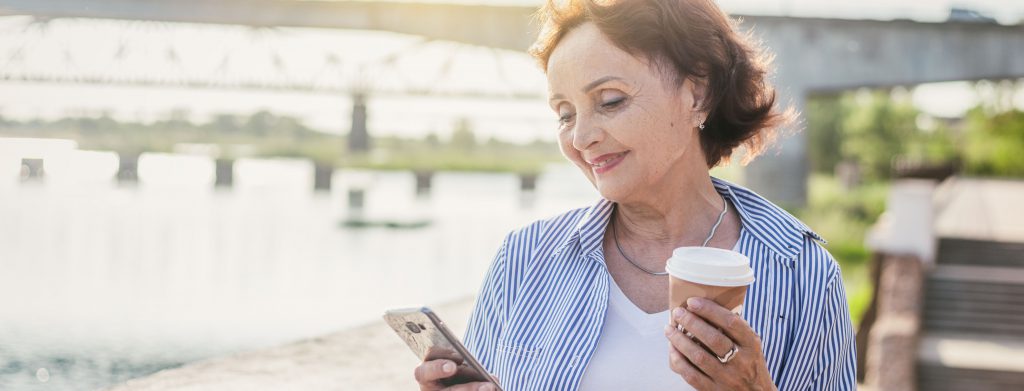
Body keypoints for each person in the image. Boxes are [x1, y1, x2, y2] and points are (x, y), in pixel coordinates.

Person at [413, 0, 856, 389]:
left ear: (696, 95)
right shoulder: (524, 259)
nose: (581, 137)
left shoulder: (804, 275)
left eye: (609, 101)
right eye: (564, 114)